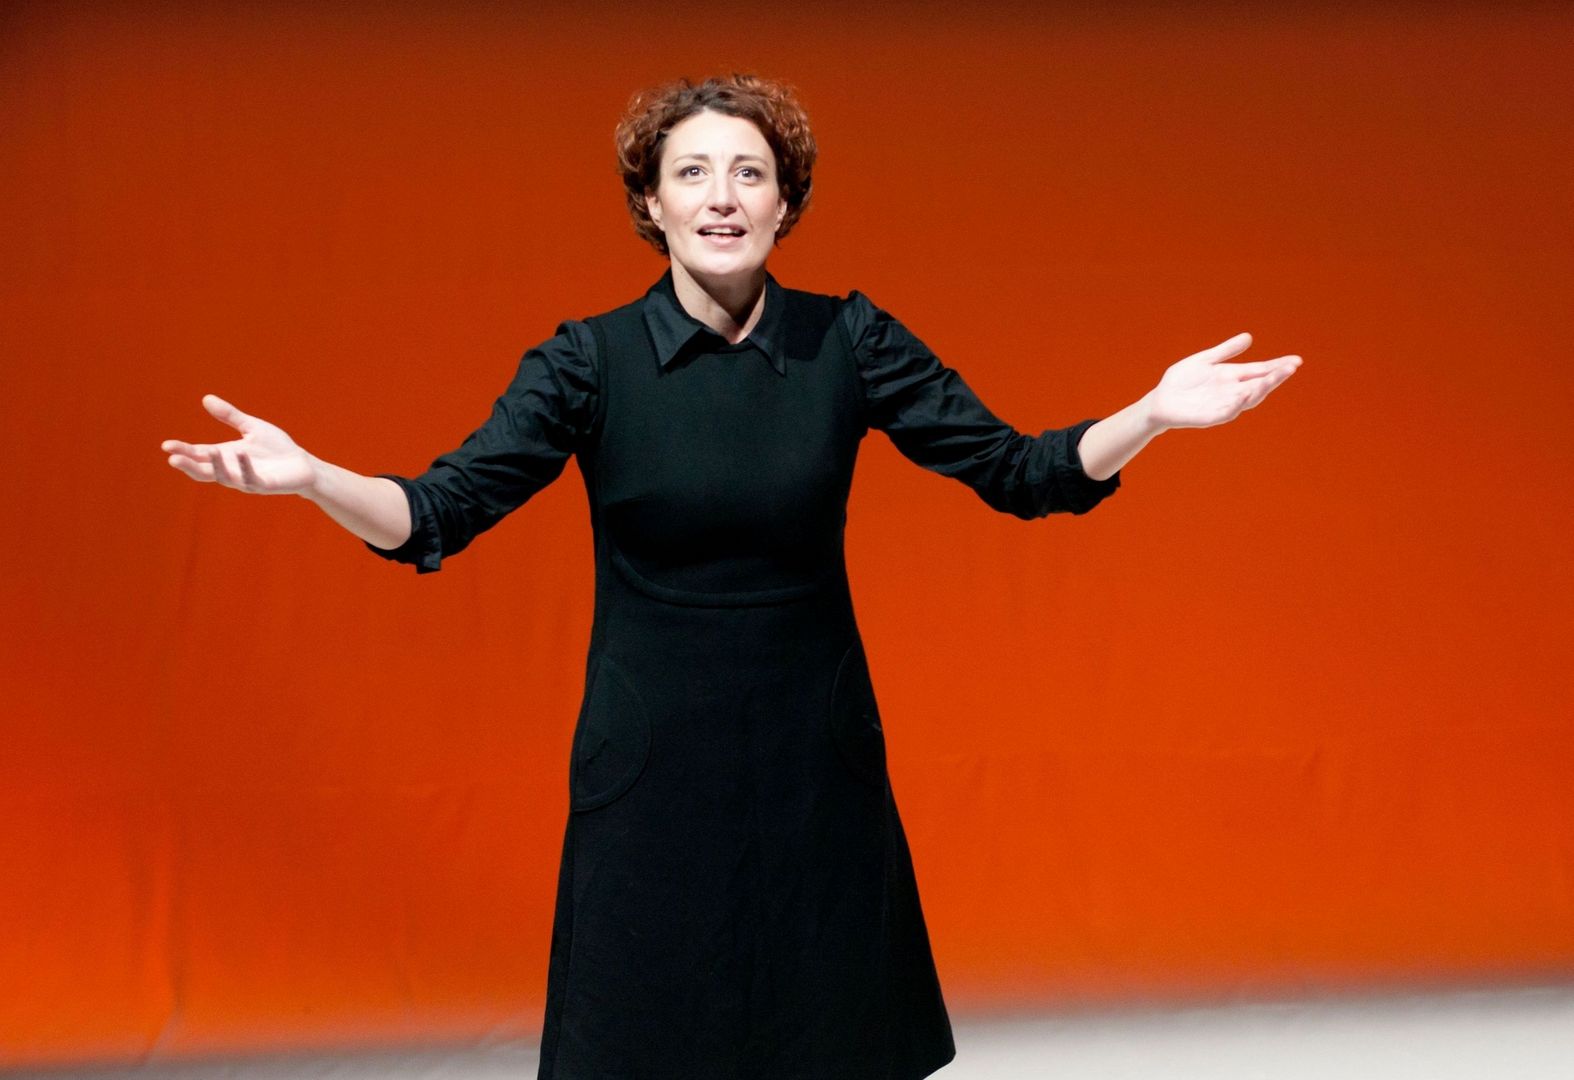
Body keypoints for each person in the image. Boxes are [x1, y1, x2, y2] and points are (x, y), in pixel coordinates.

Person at [161, 73, 1300, 1080]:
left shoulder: (849, 341)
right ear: (650, 204)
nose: (722, 196)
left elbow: (1022, 472)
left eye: (749, 173)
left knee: (827, 1046)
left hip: (816, 773)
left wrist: (1151, 414)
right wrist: (313, 478)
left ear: (784, 203)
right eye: (692, 172)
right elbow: (433, 514)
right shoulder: (587, 362)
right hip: (649, 779)